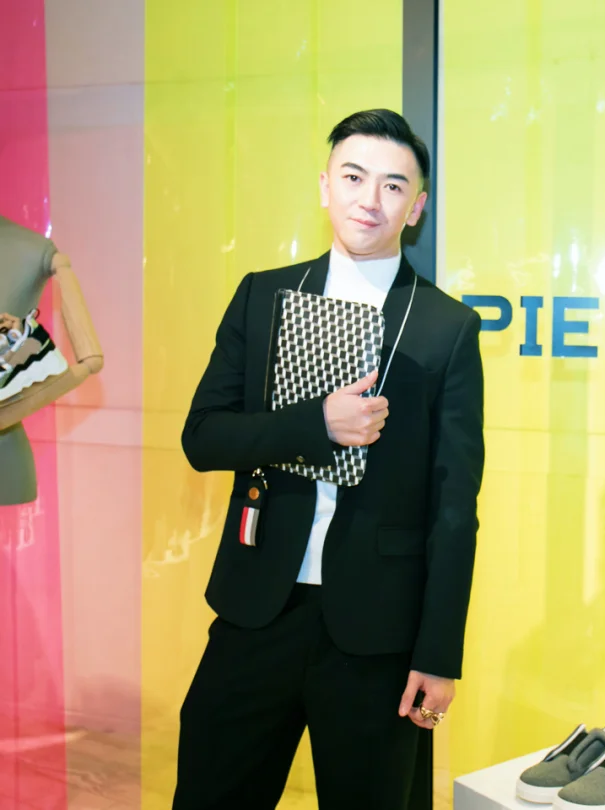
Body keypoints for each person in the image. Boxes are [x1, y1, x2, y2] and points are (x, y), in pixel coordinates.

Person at [173, 109, 485, 809]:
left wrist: (438, 656)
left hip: (378, 632)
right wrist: (315, 425)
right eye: (353, 177)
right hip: (258, 609)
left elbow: (454, 507)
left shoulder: (446, 327)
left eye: (393, 185)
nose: (369, 199)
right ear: (324, 186)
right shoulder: (263, 296)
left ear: (416, 207)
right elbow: (204, 437)